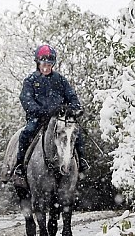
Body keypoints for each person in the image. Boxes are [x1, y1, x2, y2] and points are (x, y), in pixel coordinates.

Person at [10, 43, 88, 186]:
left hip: (60, 118)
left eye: (49, 64)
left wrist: (74, 109)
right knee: (26, 132)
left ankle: (81, 161)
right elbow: (26, 100)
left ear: (53, 64)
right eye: (43, 64)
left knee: (76, 134)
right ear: (38, 63)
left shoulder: (60, 80)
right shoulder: (30, 81)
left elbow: (72, 97)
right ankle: (20, 166)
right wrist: (40, 111)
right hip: (38, 119)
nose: (46, 67)